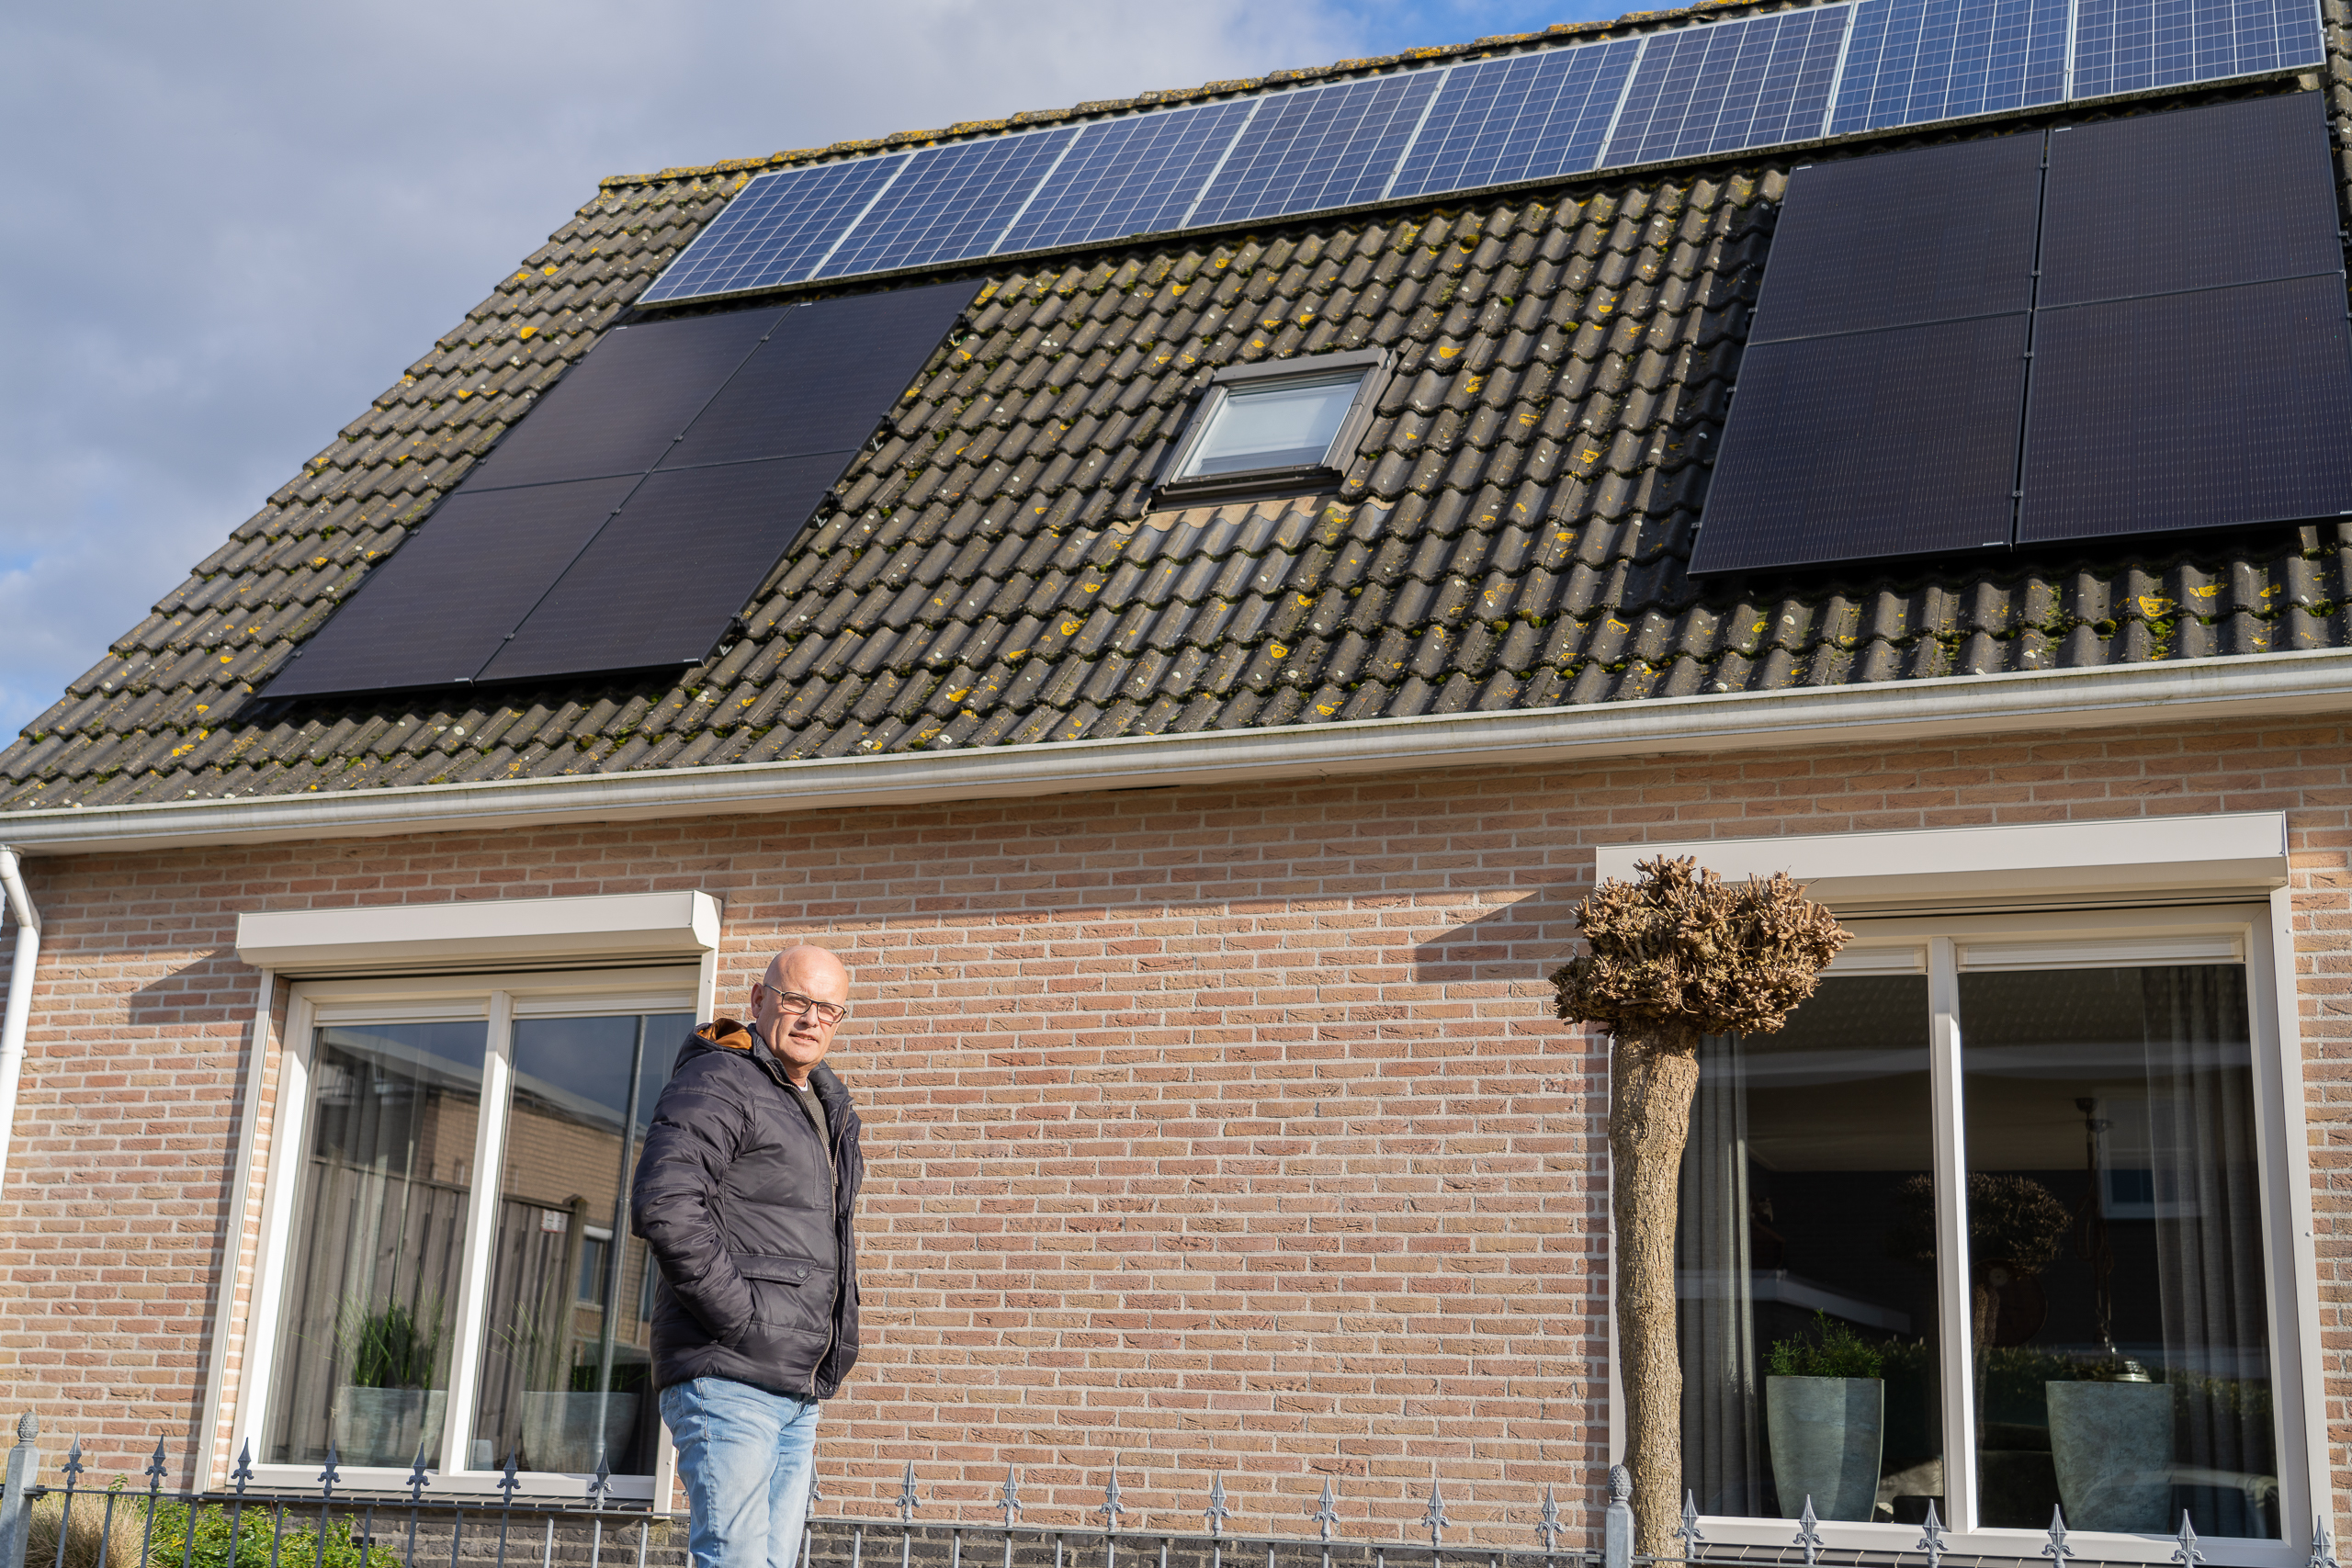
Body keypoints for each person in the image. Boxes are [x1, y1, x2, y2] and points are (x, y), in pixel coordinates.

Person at [632, 945, 865, 1568]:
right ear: (760, 1000)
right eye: (796, 999)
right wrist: (740, 1318)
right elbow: (665, 1203)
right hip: (729, 1375)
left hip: (796, 1387)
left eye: (828, 1008)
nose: (812, 1018)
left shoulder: (825, 1106)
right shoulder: (720, 1079)